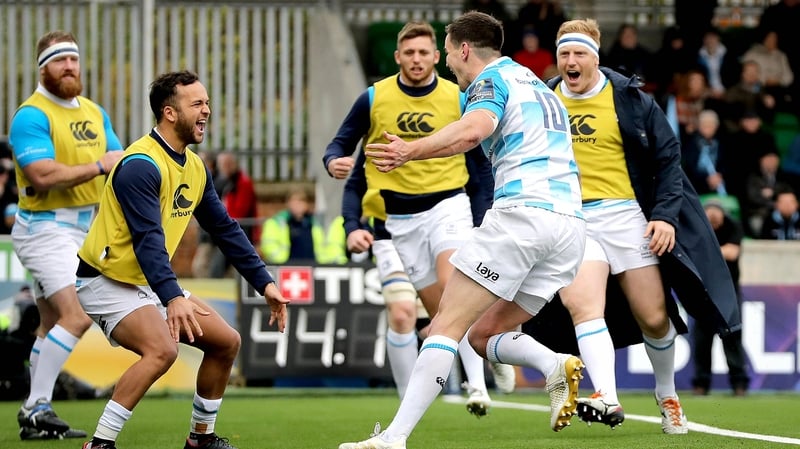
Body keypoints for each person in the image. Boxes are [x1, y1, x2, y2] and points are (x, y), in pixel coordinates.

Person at [339, 12, 586, 449]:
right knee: (482, 334)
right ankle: (553, 365)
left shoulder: (489, 81)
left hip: (522, 216)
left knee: (444, 328)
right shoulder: (534, 82)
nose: (448, 62)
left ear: (464, 49)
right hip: (568, 228)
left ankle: (392, 439)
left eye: (448, 51)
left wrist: (409, 151)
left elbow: (473, 131)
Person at [540, 18, 740, 434]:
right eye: (564, 54)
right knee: (584, 306)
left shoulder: (630, 98)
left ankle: (667, 394)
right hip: (573, 220)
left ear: (595, 57)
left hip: (626, 216)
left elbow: (669, 160)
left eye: (579, 54)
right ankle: (607, 396)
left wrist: (664, 216)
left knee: (653, 317)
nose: (570, 62)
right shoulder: (545, 100)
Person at [74, 70, 289, 449]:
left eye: (207, 102)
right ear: (169, 113)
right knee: (162, 350)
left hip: (147, 281)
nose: (207, 110)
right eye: (197, 104)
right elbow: (148, 241)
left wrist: (265, 283)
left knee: (226, 342)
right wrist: (173, 297)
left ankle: (200, 441)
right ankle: (100, 443)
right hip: (104, 280)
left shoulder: (194, 167)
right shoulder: (141, 164)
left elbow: (224, 228)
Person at [323, 20, 510, 410]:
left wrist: (482, 216)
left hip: (448, 206)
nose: (417, 58)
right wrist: (333, 163)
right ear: (397, 57)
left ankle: (477, 386)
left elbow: (479, 166)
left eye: (424, 51)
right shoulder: (374, 99)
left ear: (437, 57)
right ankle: (411, 398)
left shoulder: (457, 96)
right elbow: (343, 150)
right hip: (395, 221)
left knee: (455, 288)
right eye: (409, 52)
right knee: (415, 311)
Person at [8, 30, 124, 440]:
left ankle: (35, 413)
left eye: (74, 59)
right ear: (43, 69)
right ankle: (35, 404)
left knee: (52, 321)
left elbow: (119, 162)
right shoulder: (31, 115)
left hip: (83, 227)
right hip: (44, 228)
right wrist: (97, 165)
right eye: (60, 61)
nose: (70, 67)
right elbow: (42, 174)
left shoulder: (94, 111)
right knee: (76, 316)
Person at [692, 201, 750, 396]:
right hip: (703, 292)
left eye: (716, 215)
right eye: (709, 214)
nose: (713, 218)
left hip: (728, 292)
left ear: (723, 215)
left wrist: (705, 252)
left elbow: (732, 253)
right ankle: (701, 383)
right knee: (701, 340)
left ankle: (739, 383)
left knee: (732, 337)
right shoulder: (698, 226)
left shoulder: (733, 226)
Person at [260, 187, 346, 265]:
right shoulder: (276, 223)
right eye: (294, 201)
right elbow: (268, 246)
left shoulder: (315, 224)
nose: (297, 205)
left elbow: (324, 247)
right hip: (287, 267)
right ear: (288, 203)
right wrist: (282, 262)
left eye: (301, 201)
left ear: (306, 204)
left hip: (313, 266)